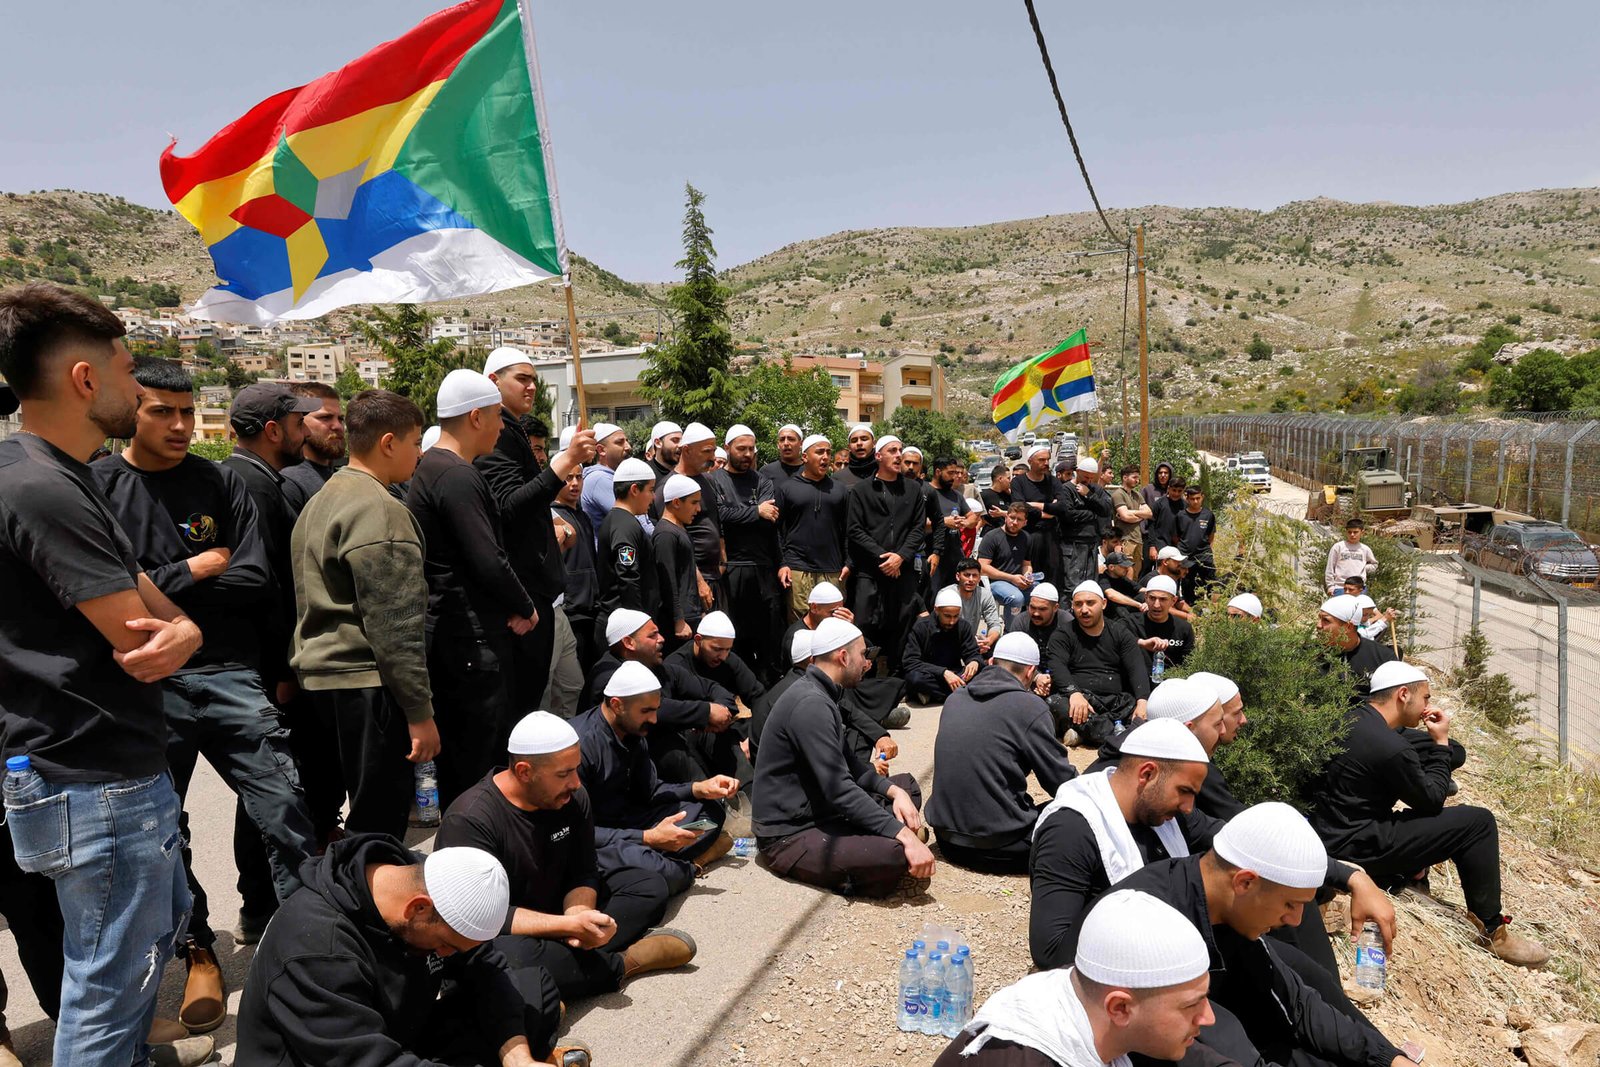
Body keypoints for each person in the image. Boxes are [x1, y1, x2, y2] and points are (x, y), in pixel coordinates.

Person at [0, 282, 212, 1067]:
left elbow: (155, 601)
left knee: (127, 967)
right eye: (126, 369)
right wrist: (182, 630)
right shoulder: (43, 486)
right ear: (85, 379)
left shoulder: (51, 471)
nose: (137, 382)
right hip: (94, 775)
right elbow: (142, 631)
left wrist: (186, 627)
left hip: (88, 769)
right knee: (108, 992)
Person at [93, 356, 316, 1036]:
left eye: (189, 412)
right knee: (165, 830)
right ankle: (197, 950)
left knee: (284, 806)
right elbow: (103, 586)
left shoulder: (220, 481)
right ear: (131, 411)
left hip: (228, 673)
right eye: (163, 411)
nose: (181, 425)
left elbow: (252, 578)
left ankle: (309, 945)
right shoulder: (98, 485)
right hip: (145, 683)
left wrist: (152, 581)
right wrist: (195, 566)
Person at [1115, 804, 1417, 1067]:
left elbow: (1297, 1005)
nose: (1295, 920)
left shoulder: (1227, 911)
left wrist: (1387, 1058)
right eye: (1290, 905)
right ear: (1245, 882)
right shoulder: (1150, 928)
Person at [235, 839, 576, 1067]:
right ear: (418, 908)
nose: (446, 954)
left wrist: (518, 1057)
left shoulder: (417, 877)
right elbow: (365, 1061)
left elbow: (486, 966)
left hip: (396, 1031)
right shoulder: (318, 949)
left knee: (533, 993)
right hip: (331, 1056)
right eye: (446, 944)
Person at [437, 711, 699, 1006]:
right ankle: (622, 963)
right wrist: (565, 926)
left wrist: (579, 915)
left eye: (575, 769)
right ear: (524, 771)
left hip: (559, 908)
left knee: (648, 885)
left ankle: (566, 963)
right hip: (506, 929)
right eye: (563, 774)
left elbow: (584, 870)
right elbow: (478, 917)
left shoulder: (571, 796)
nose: (575, 782)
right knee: (507, 957)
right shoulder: (470, 820)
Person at [1309, 660, 1549, 967]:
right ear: (1403, 695)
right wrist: (1440, 743)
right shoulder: (1392, 747)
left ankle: (1405, 875)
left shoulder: (1348, 719)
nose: (1427, 706)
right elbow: (1432, 800)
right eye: (1425, 697)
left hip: (1326, 833)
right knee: (1478, 822)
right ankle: (1493, 931)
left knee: (1412, 817)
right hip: (1357, 844)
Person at [290, 389, 435, 840]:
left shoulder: (323, 497)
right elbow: (396, 626)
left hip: (321, 681)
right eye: (415, 442)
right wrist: (420, 712)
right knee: (377, 825)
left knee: (331, 820)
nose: (419, 454)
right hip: (366, 683)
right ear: (389, 443)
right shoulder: (381, 509)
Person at [405, 370, 539, 807]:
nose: (502, 427)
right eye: (498, 416)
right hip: (468, 639)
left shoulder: (438, 469)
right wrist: (526, 606)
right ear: (476, 417)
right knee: (477, 767)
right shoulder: (455, 475)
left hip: (460, 634)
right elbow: (487, 557)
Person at [753, 618, 936, 896]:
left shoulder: (823, 694)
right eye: (863, 654)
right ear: (843, 657)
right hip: (790, 834)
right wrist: (903, 836)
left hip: (823, 809)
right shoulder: (810, 703)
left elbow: (853, 767)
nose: (867, 663)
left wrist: (895, 792)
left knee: (906, 787)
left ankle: (886, 835)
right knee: (895, 853)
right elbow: (839, 790)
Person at [936, 890, 1214, 1067]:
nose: (1208, 1018)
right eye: (1192, 1004)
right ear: (1119, 1008)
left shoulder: (1086, 994)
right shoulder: (1026, 1058)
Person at [1028, 720, 1210, 970]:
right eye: (1184, 791)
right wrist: (1148, 887)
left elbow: (1223, 838)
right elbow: (1050, 952)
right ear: (1147, 774)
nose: (1188, 807)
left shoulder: (1167, 815)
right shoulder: (1071, 830)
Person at [477, 349, 597, 721]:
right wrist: (566, 461)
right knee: (524, 708)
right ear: (494, 382)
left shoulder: (511, 429)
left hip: (536, 597)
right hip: (523, 601)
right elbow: (510, 507)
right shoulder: (499, 434)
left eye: (533, 380)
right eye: (521, 379)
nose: (531, 387)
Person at [573, 662, 738, 896]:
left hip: (633, 822)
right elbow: (578, 832)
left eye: (655, 710)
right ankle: (689, 866)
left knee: (710, 813)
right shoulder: (581, 747)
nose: (653, 719)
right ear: (617, 705)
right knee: (655, 870)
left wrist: (699, 788)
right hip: (601, 840)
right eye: (646, 711)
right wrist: (648, 838)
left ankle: (661, 858)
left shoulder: (634, 731)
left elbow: (651, 791)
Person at [925, 633, 1077, 873]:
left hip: (947, 839)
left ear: (991, 662)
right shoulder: (1030, 707)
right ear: (1031, 672)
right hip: (1000, 846)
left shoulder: (955, 698)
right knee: (1077, 815)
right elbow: (1061, 783)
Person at [581, 610, 740, 787]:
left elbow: (709, 687)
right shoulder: (609, 676)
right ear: (628, 642)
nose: (662, 639)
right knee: (670, 746)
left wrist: (721, 711)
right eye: (652, 635)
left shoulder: (657, 668)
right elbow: (657, 709)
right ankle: (710, 800)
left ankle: (747, 791)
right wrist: (706, 713)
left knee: (719, 736)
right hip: (622, 764)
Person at [846, 435, 925, 674]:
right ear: (878, 456)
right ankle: (864, 678)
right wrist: (884, 557)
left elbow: (918, 528)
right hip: (870, 571)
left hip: (902, 571)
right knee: (864, 625)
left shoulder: (913, 489)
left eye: (900, 450)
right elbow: (855, 529)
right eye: (892, 450)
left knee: (901, 626)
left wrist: (900, 557)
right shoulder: (861, 490)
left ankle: (897, 678)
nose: (899, 455)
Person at [713, 423, 785, 685]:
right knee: (736, 633)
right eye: (741, 448)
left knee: (768, 633)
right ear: (727, 448)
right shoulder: (714, 480)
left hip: (763, 568)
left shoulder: (762, 481)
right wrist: (755, 511)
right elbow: (720, 515)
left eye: (751, 449)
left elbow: (770, 520)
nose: (747, 454)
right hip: (732, 567)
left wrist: (742, 515)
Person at [1044, 582, 1151, 745]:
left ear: (1104, 604)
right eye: (1078, 604)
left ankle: (1086, 732)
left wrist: (1142, 701)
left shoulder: (1120, 633)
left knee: (1140, 706)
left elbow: (1136, 667)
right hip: (1079, 699)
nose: (1084, 609)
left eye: (1090, 603)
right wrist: (1074, 693)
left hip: (1115, 702)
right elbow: (1057, 666)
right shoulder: (1063, 634)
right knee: (1056, 704)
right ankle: (1116, 735)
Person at [649, 422, 725, 612]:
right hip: (692, 580)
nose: (712, 457)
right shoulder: (670, 487)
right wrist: (698, 581)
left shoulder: (708, 480)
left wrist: (723, 557)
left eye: (713, 451)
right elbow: (670, 536)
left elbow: (716, 521)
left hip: (716, 576)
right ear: (687, 450)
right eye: (707, 451)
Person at [774, 432, 850, 618]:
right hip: (797, 569)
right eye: (819, 452)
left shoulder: (840, 490)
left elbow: (848, 529)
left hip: (832, 570)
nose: (825, 457)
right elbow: (777, 530)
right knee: (801, 623)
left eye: (828, 452)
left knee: (832, 621)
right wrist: (783, 563)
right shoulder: (787, 488)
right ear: (805, 457)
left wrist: (849, 563)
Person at [594, 456, 660, 646]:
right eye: (651, 490)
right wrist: (638, 625)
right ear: (634, 490)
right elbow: (627, 576)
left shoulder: (622, 521)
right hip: (625, 630)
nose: (654, 497)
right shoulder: (624, 526)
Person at [552, 463, 600, 672]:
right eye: (567, 477)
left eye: (579, 477)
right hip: (570, 609)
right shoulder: (552, 516)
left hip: (591, 606)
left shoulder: (583, 516)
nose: (574, 483)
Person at [902, 586, 984, 703]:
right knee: (914, 679)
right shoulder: (921, 627)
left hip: (956, 674)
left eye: (956, 616)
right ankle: (962, 692)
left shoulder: (963, 626)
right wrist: (943, 672)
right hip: (930, 674)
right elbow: (910, 662)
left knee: (986, 673)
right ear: (936, 610)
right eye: (947, 616)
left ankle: (935, 695)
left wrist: (974, 662)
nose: (952, 621)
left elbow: (972, 653)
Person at [654, 473, 707, 644]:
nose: (698, 509)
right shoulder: (666, 534)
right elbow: (667, 579)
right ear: (676, 502)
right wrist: (678, 619)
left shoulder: (678, 529)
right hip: (678, 622)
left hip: (690, 614)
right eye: (693, 503)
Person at [279, 381, 346, 511]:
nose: (338, 426)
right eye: (325, 418)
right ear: (299, 422)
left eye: (340, 419)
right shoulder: (290, 484)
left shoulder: (336, 475)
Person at [1315, 594, 1396, 692]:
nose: (1318, 625)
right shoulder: (1310, 653)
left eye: (1326, 620)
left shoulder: (1383, 658)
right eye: (1319, 618)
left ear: (1348, 626)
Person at [927, 455, 981, 594]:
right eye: (950, 473)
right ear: (938, 472)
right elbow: (917, 523)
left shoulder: (956, 495)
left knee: (955, 596)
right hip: (932, 555)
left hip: (955, 556)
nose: (954, 477)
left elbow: (972, 517)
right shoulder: (925, 492)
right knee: (932, 596)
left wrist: (965, 522)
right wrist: (944, 522)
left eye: (956, 473)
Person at [1121, 574, 1195, 671]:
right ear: (1146, 597)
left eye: (1163, 599)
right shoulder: (1130, 623)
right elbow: (1112, 642)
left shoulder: (1184, 628)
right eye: (1152, 598)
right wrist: (1141, 643)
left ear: (1173, 601)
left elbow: (1188, 664)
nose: (1156, 605)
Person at [978, 502, 1035, 628]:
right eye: (1012, 518)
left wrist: (1027, 575)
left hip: (1018, 580)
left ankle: (1032, 630)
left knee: (1041, 593)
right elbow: (983, 567)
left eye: (1019, 519)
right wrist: (1011, 578)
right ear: (1006, 517)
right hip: (996, 582)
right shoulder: (992, 537)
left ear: (1025, 522)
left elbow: (1027, 564)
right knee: (1016, 598)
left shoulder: (1026, 538)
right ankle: (1011, 631)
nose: (1014, 522)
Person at [1062, 458, 1113, 588]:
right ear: (1078, 471)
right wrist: (1093, 514)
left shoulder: (1094, 489)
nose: (1088, 480)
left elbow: (1106, 510)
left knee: (1090, 584)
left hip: (1092, 543)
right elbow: (1068, 515)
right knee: (1072, 585)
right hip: (1073, 543)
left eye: (1091, 478)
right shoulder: (1066, 489)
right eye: (1086, 477)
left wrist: (1089, 495)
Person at [950, 556, 1004, 654]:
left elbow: (995, 625)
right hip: (950, 642)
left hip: (972, 642)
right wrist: (969, 643)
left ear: (979, 578)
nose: (971, 579)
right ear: (958, 576)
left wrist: (988, 641)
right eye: (967, 575)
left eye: (974, 576)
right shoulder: (948, 595)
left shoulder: (984, 595)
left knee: (996, 642)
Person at [1173, 485, 1216, 601]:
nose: (1195, 501)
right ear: (1187, 498)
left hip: (1204, 556)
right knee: (1187, 585)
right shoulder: (1180, 516)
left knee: (1211, 583)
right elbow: (1176, 537)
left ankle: (1213, 608)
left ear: (1202, 497)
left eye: (1198, 498)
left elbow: (1211, 535)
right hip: (1186, 556)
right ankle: (1191, 608)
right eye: (1192, 499)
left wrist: (1208, 551)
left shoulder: (1208, 515)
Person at [1108, 465, 1152, 567]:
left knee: (1136, 571)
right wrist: (1141, 515)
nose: (1137, 480)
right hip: (1125, 539)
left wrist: (1132, 512)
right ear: (1125, 477)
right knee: (1125, 570)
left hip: (1138, 539)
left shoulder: (1137, 495)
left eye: (1138, 478)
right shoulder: (1118, 494)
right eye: (1134, 477)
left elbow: (1149, 513)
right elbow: (1125, 516)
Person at [1325, 518, 1378, 595]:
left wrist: (1364, 568)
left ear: (1362, 532)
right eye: (1349, 532)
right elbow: (1330, 567)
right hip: (1340, 588)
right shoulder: (1338, 547)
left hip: (1359, 588)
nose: (1352, 535)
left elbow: (1374, 564)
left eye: (1355, 532)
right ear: (1346, 532)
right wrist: (1330, 586)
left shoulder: (1365, 549)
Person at [831, 423, 878, 488]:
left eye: (864, 439)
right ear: (849, 447)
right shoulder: (838, 478)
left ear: (874, 443)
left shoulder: (885, 472)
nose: (859, 443)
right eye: (854, 441)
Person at [979, 461, 1013, 531]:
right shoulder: (984, 495)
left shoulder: (1010, 495)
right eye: (1008, 478)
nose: (1010, 481)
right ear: (1000, 479)